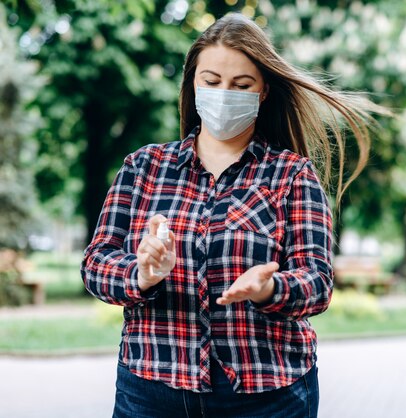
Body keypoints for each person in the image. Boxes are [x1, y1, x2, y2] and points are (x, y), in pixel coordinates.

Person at [81, 13, 383, 418]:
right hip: (152, 389)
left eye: (241, 85)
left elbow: (318, 282)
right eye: (211, 81)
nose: (224, 94)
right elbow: (95, 263)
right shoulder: (144, 167)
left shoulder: (292, 175)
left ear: (262, 93)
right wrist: (142, 273)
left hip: (267, 394)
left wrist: (269, 288)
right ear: (192, 84)